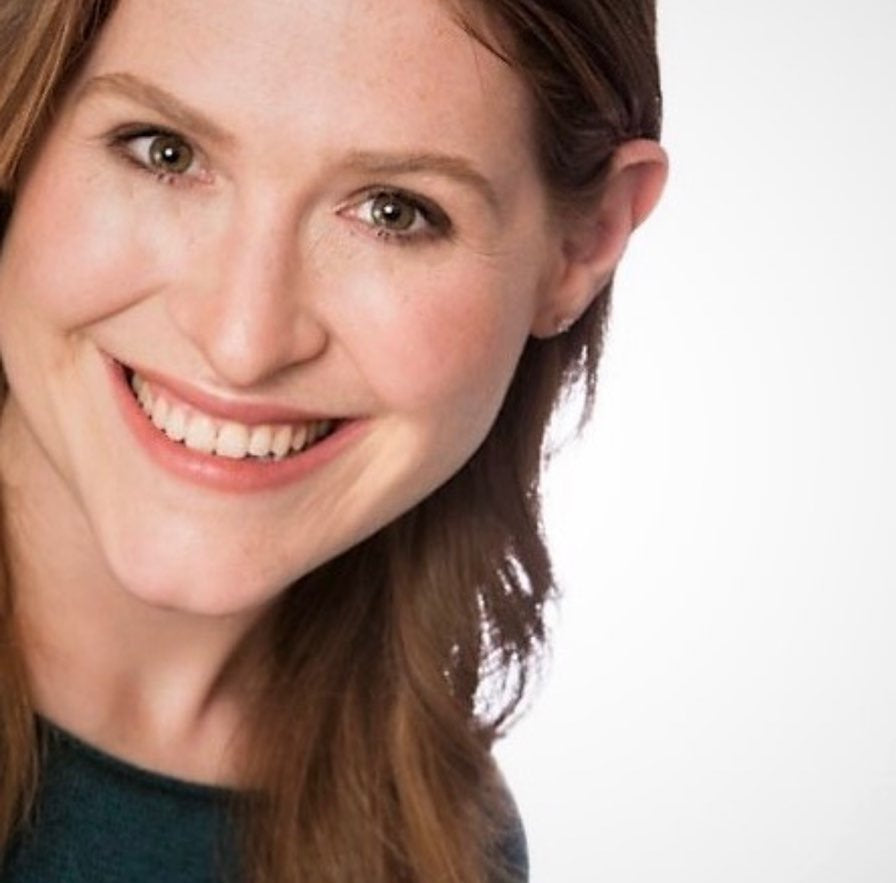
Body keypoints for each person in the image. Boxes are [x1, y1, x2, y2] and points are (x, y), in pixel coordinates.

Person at [0, 0, 666, 880]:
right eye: (165, 151)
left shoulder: (445, 848)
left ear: (583, 244)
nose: (243, 341)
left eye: (394, 211)